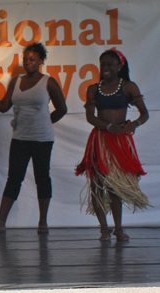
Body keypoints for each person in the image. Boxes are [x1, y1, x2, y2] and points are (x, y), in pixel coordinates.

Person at [0, 42, 67, 234]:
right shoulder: (16, 81)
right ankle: (0, 221)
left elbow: (62, 109)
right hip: (20, 138)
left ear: (41, 61)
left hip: (42, 139)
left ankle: (43, 223)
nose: (28, 62)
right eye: (25, 59)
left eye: (32, 59)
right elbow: (3, 106)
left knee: (42, 178)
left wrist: (45, 123)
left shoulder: (48, 82)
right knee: (14, 178)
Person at [75, 49, 150, 241]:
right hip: (99, 140)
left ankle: (118, 228)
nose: (106, 67)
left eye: (110, 64)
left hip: (119, 142)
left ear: (119, 66)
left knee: (115, 187)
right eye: (103, 64)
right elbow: (90, 117)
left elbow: (144, 114)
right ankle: (104, 229)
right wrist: (109, 127)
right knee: (97, 184)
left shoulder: (128, 87)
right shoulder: (93, 88)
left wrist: (134, 124)